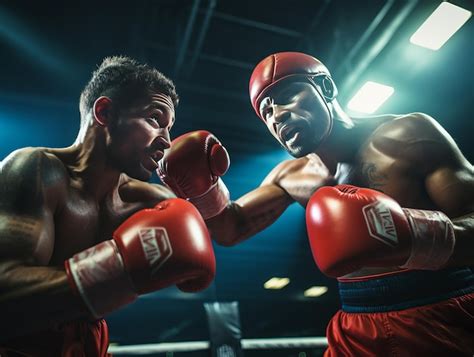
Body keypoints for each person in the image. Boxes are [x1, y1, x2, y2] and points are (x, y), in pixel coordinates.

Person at [158, 52, 474, 356]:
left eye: (286, 97)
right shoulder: (292, 176)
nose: (277, 115)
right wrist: (203, 191)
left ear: (325, 87)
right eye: (266, 111)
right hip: (356, 321)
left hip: (442, 309)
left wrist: (412, 234)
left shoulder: (408, 135)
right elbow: (232, 227)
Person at [0, 56, 216, 356]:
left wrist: (210, 190)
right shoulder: (38, 171)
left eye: (169, 128)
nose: (167, 141)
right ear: (104, 112)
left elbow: (220, 232)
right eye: (155, 119)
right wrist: (117, 268)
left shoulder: (151, 202)